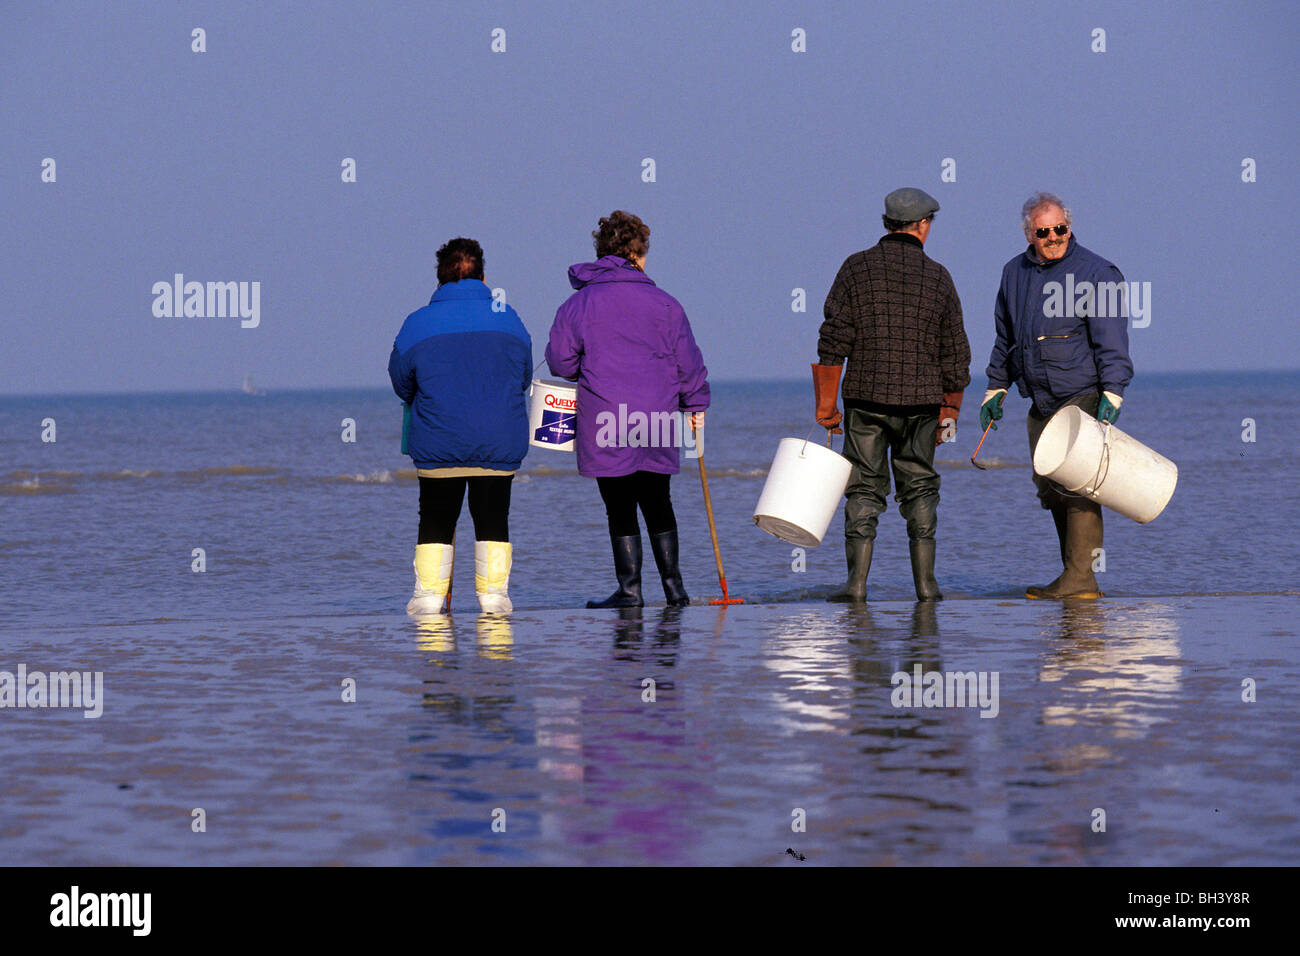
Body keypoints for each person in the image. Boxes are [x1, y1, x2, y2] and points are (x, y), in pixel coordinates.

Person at [546, 210, 710, 608]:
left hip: (605, 416)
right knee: (658, 499)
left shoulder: (579, 304)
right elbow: (687, 363)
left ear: (603, 253)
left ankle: (630, 591)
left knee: (618, 503)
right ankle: (675, 590)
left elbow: (561, 364)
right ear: (637, 254)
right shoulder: (666, 304)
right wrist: (696, 403)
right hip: (656, 416)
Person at [814, 187, 971, 602]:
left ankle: (856, 585)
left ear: (887, 222)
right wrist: (949, 411)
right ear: (922, 225)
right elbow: (955, 354)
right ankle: (926, 585)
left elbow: (833, 340)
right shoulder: (938, 277)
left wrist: (826, 405)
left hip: (867, 403)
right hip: (922, 405)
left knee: (864, 490)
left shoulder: (855, 268)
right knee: (920, 489)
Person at [980, 192, 1134, 599]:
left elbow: (1112, 339)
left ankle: (1081, 578)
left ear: (1070, 226)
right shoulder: (1013, 273)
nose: (1053, 237)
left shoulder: (1097, 273)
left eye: (1059, 229)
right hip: (1042, 402)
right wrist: (996, 387)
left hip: (1083, 396)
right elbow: (1007, 339)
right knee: (1049, 487)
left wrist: (1113, 393)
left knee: (1080, 487)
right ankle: (1074, 574)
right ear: (1030, 234)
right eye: (1043, 231)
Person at [389, 237, 531, 616]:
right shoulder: (508, 317)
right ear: (484, 276)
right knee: (493, 518)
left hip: (439, 442)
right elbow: (523, 376)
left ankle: (429, 598)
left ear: (439, 279)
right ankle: (494, 598)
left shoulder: (417, 322)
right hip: (497, 441)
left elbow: (401, 382)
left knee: (435, 517)